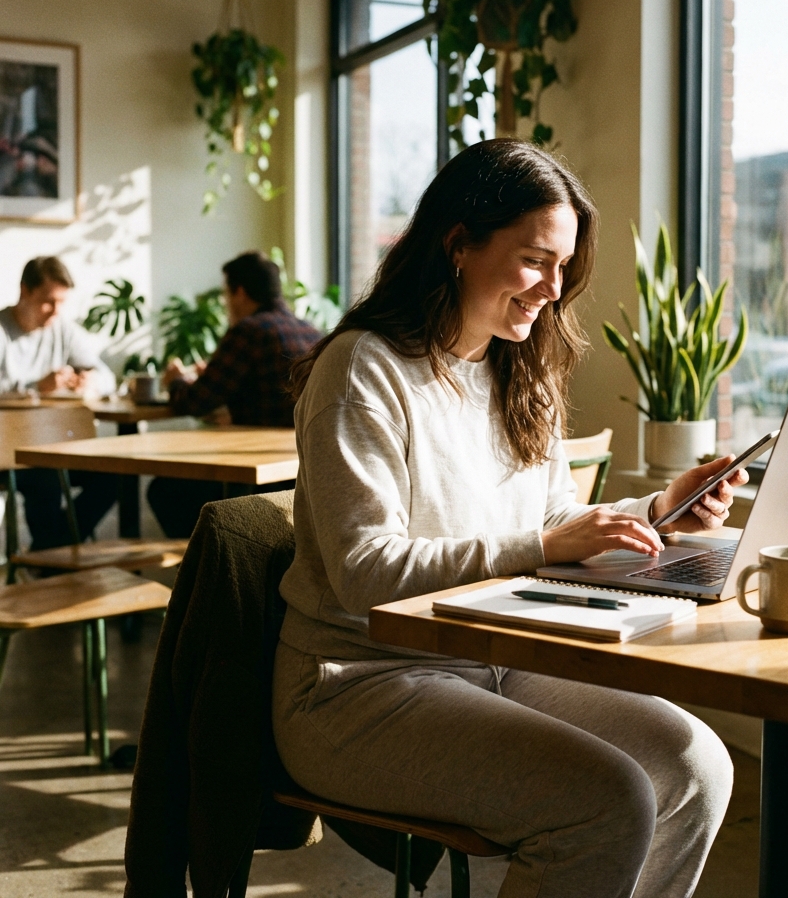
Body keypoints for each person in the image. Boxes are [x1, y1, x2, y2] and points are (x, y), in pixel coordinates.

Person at [273, 140, 747, 898]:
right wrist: (542, 544)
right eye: (534, 261)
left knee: (696, 766)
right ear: (458, 244)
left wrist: (659, 512)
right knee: (608, 801)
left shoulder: (513, 367)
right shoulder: (363, 368)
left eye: (562, 268)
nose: (552, 290)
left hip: (491, 659)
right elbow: (366, 571)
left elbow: (554, 516)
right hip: (356, 682)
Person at [146, 251, 321, 539]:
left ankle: (216, 572)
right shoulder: (311, 332)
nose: (227, 304)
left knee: (164, 491)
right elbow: (268, 394)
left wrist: (176, 381)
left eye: (226, 294)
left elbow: (196, 401)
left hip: (254, 479)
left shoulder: (250, 330)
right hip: (299, 474)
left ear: (239, 292)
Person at [1, 256, 118, 549]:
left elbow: (106, 375)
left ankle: (50, 554)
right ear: (24, 291)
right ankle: (55, 557)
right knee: (48, 479)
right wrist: (35, 387)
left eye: (61, 303)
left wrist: (88, 381)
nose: (55, 311)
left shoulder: (62, 329)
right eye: (47, 301)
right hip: (9, 449)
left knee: (115, 476)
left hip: (53, 445)